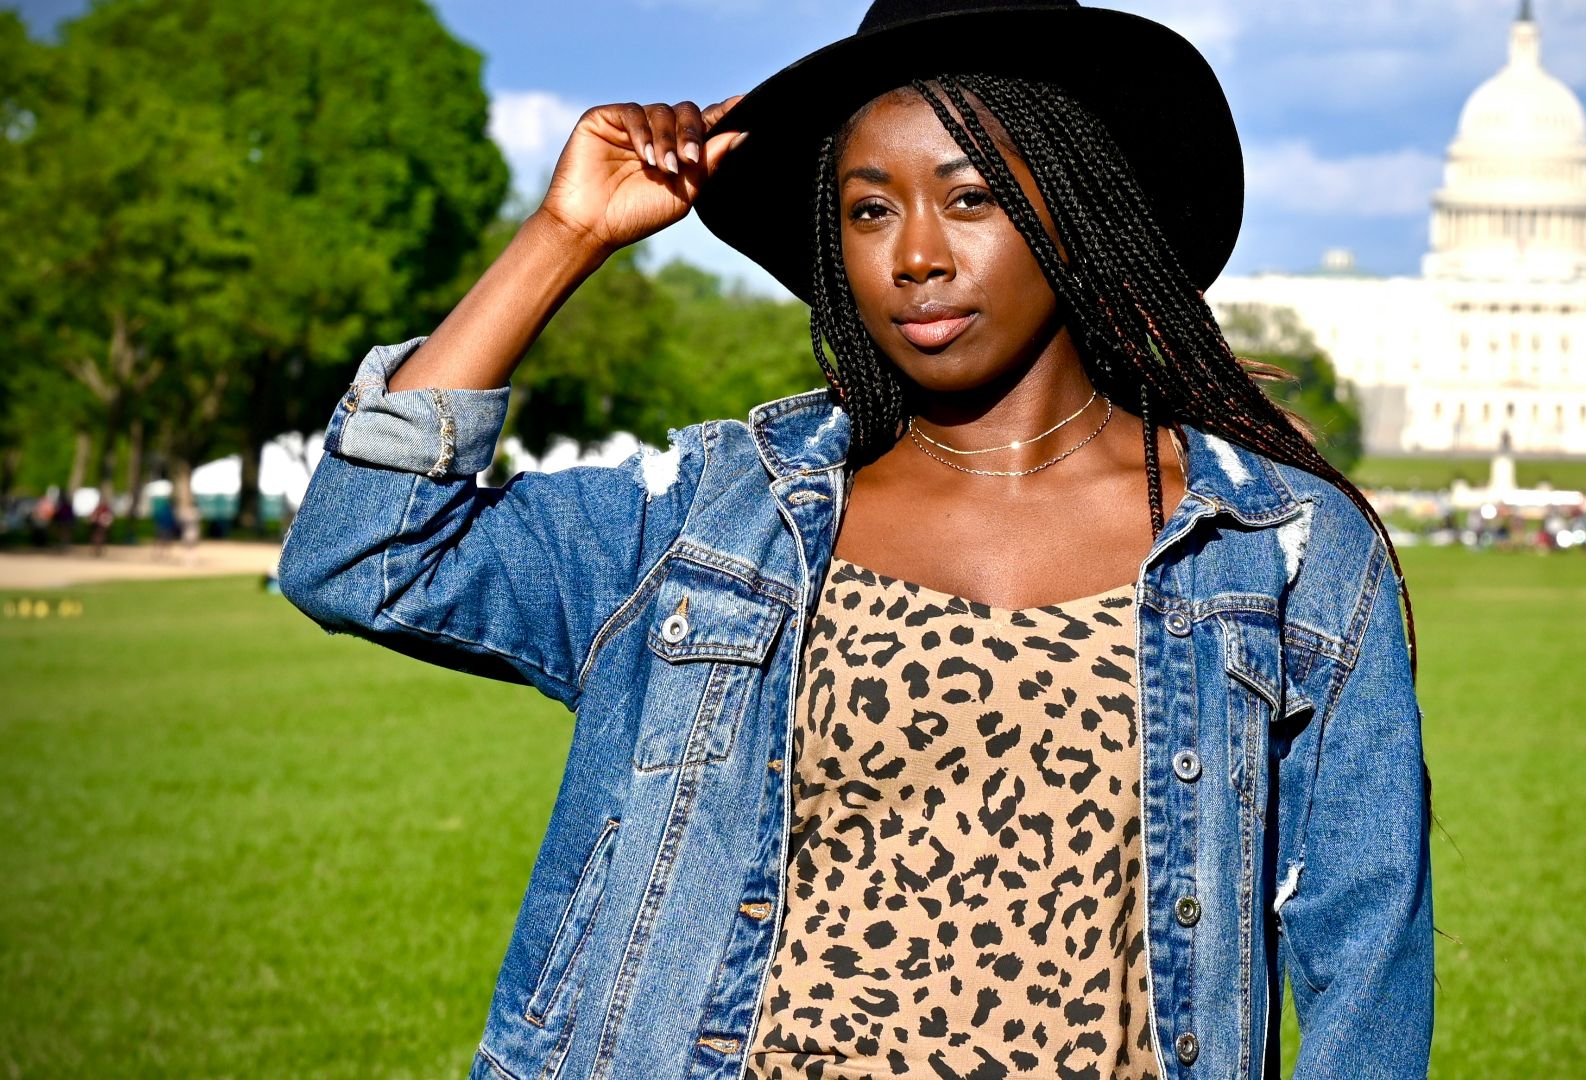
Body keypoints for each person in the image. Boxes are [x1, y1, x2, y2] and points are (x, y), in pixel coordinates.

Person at [278, 2, 1432, 1078]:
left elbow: (1364, 948)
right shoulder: (715, 515)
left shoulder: (1278, 551)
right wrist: (564, 234)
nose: (915, 254)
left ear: (1074, 216)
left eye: (970, 198)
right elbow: (363, 551)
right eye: (869, 208)